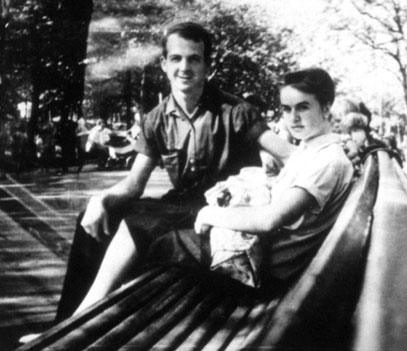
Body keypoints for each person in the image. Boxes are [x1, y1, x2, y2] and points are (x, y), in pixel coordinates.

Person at [52, 21, 294, 323]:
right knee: (93, 218)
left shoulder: (236, 112)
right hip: (181, 204)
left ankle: (81, 320)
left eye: (195, 59)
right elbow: (133, 185)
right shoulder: (155, 119)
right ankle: (61, 326)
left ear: (208, 67)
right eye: (176, 59)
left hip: (223, 213)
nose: (185, 67)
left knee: (138, 224)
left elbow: (291, 155)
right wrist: (100, 199)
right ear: (164, 65)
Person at [72, 67, 354, 314]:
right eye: (286, 109)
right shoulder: (314, 150)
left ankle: (84, 323)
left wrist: (210, 214)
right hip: (259, 259)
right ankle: (85, 316)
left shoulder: (327, 160)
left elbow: (269, 220)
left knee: (142, 232)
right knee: (143, 225)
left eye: (303, 107)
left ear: (327, 108)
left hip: (257, 273)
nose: (293, 118)